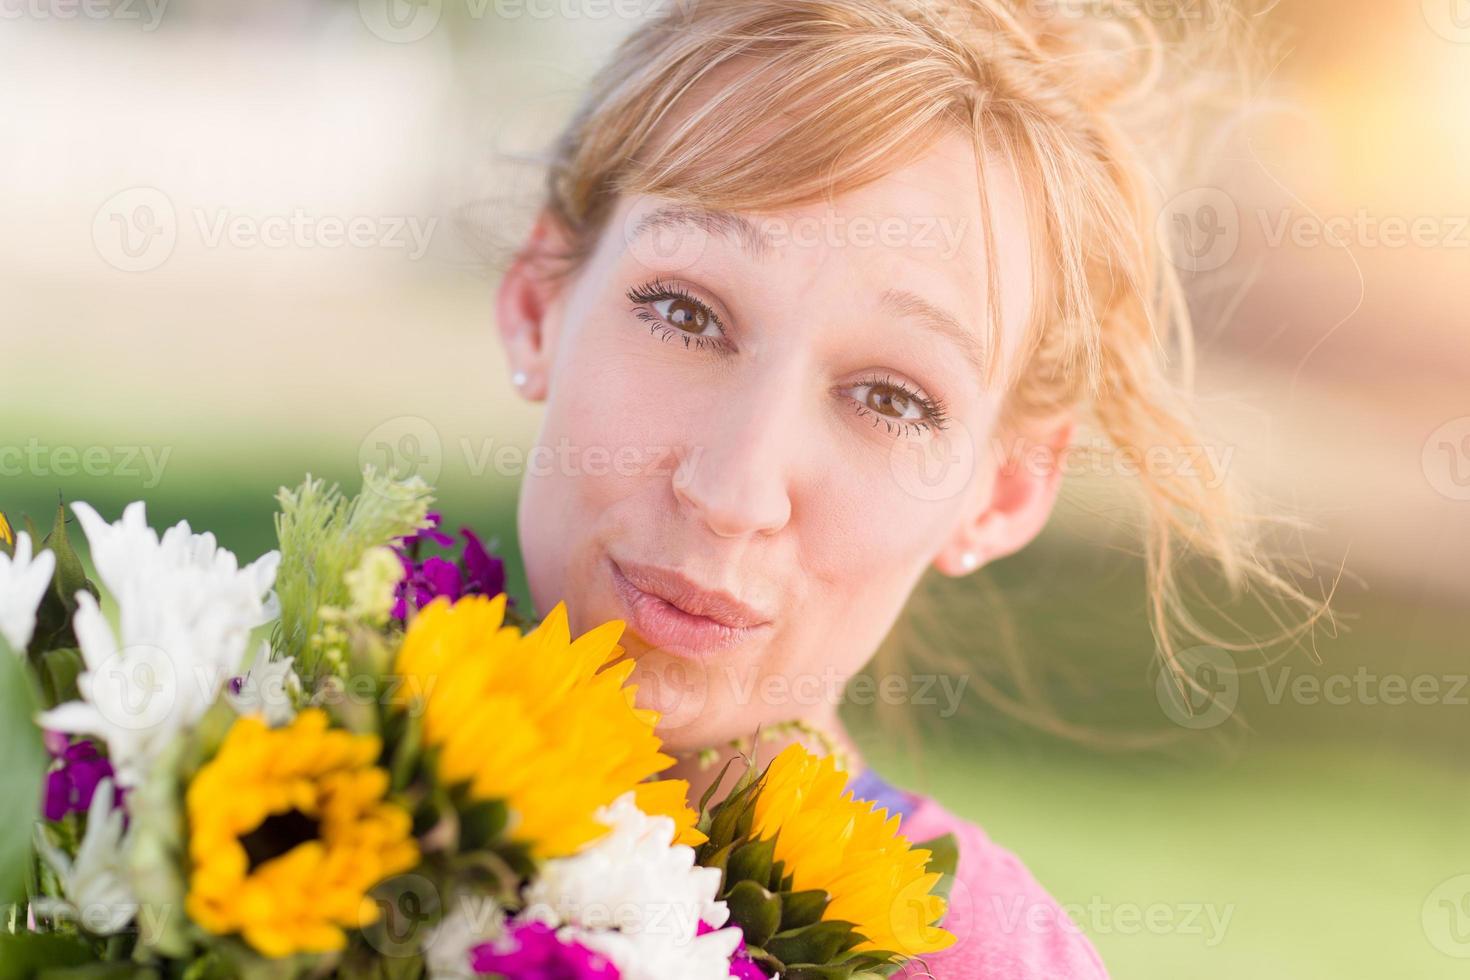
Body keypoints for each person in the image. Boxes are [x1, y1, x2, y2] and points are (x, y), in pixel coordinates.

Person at [492, 1, 1318, 975]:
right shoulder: (289, 732)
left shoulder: (977, 960)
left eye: (890, 397)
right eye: (684, 312)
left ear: (1003, 490)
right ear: (540, 300)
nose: (733, 489)